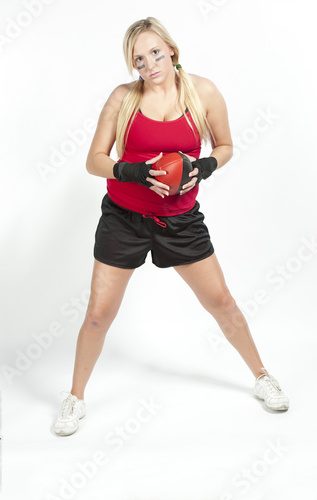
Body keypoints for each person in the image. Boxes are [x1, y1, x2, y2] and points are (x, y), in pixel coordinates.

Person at [53, 17, 289, 436]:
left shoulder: (203, 92)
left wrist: (206, 165)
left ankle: (262, 376)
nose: (149, 65)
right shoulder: (123, 98)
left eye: (155, 53)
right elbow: (94, 160)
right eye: (139, 59)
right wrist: (129, 171)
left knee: (222, 303)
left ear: (171, 50)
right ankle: (75, 398)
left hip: (180, 221)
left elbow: (226, 145)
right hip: (123, 219)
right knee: (97, 315)